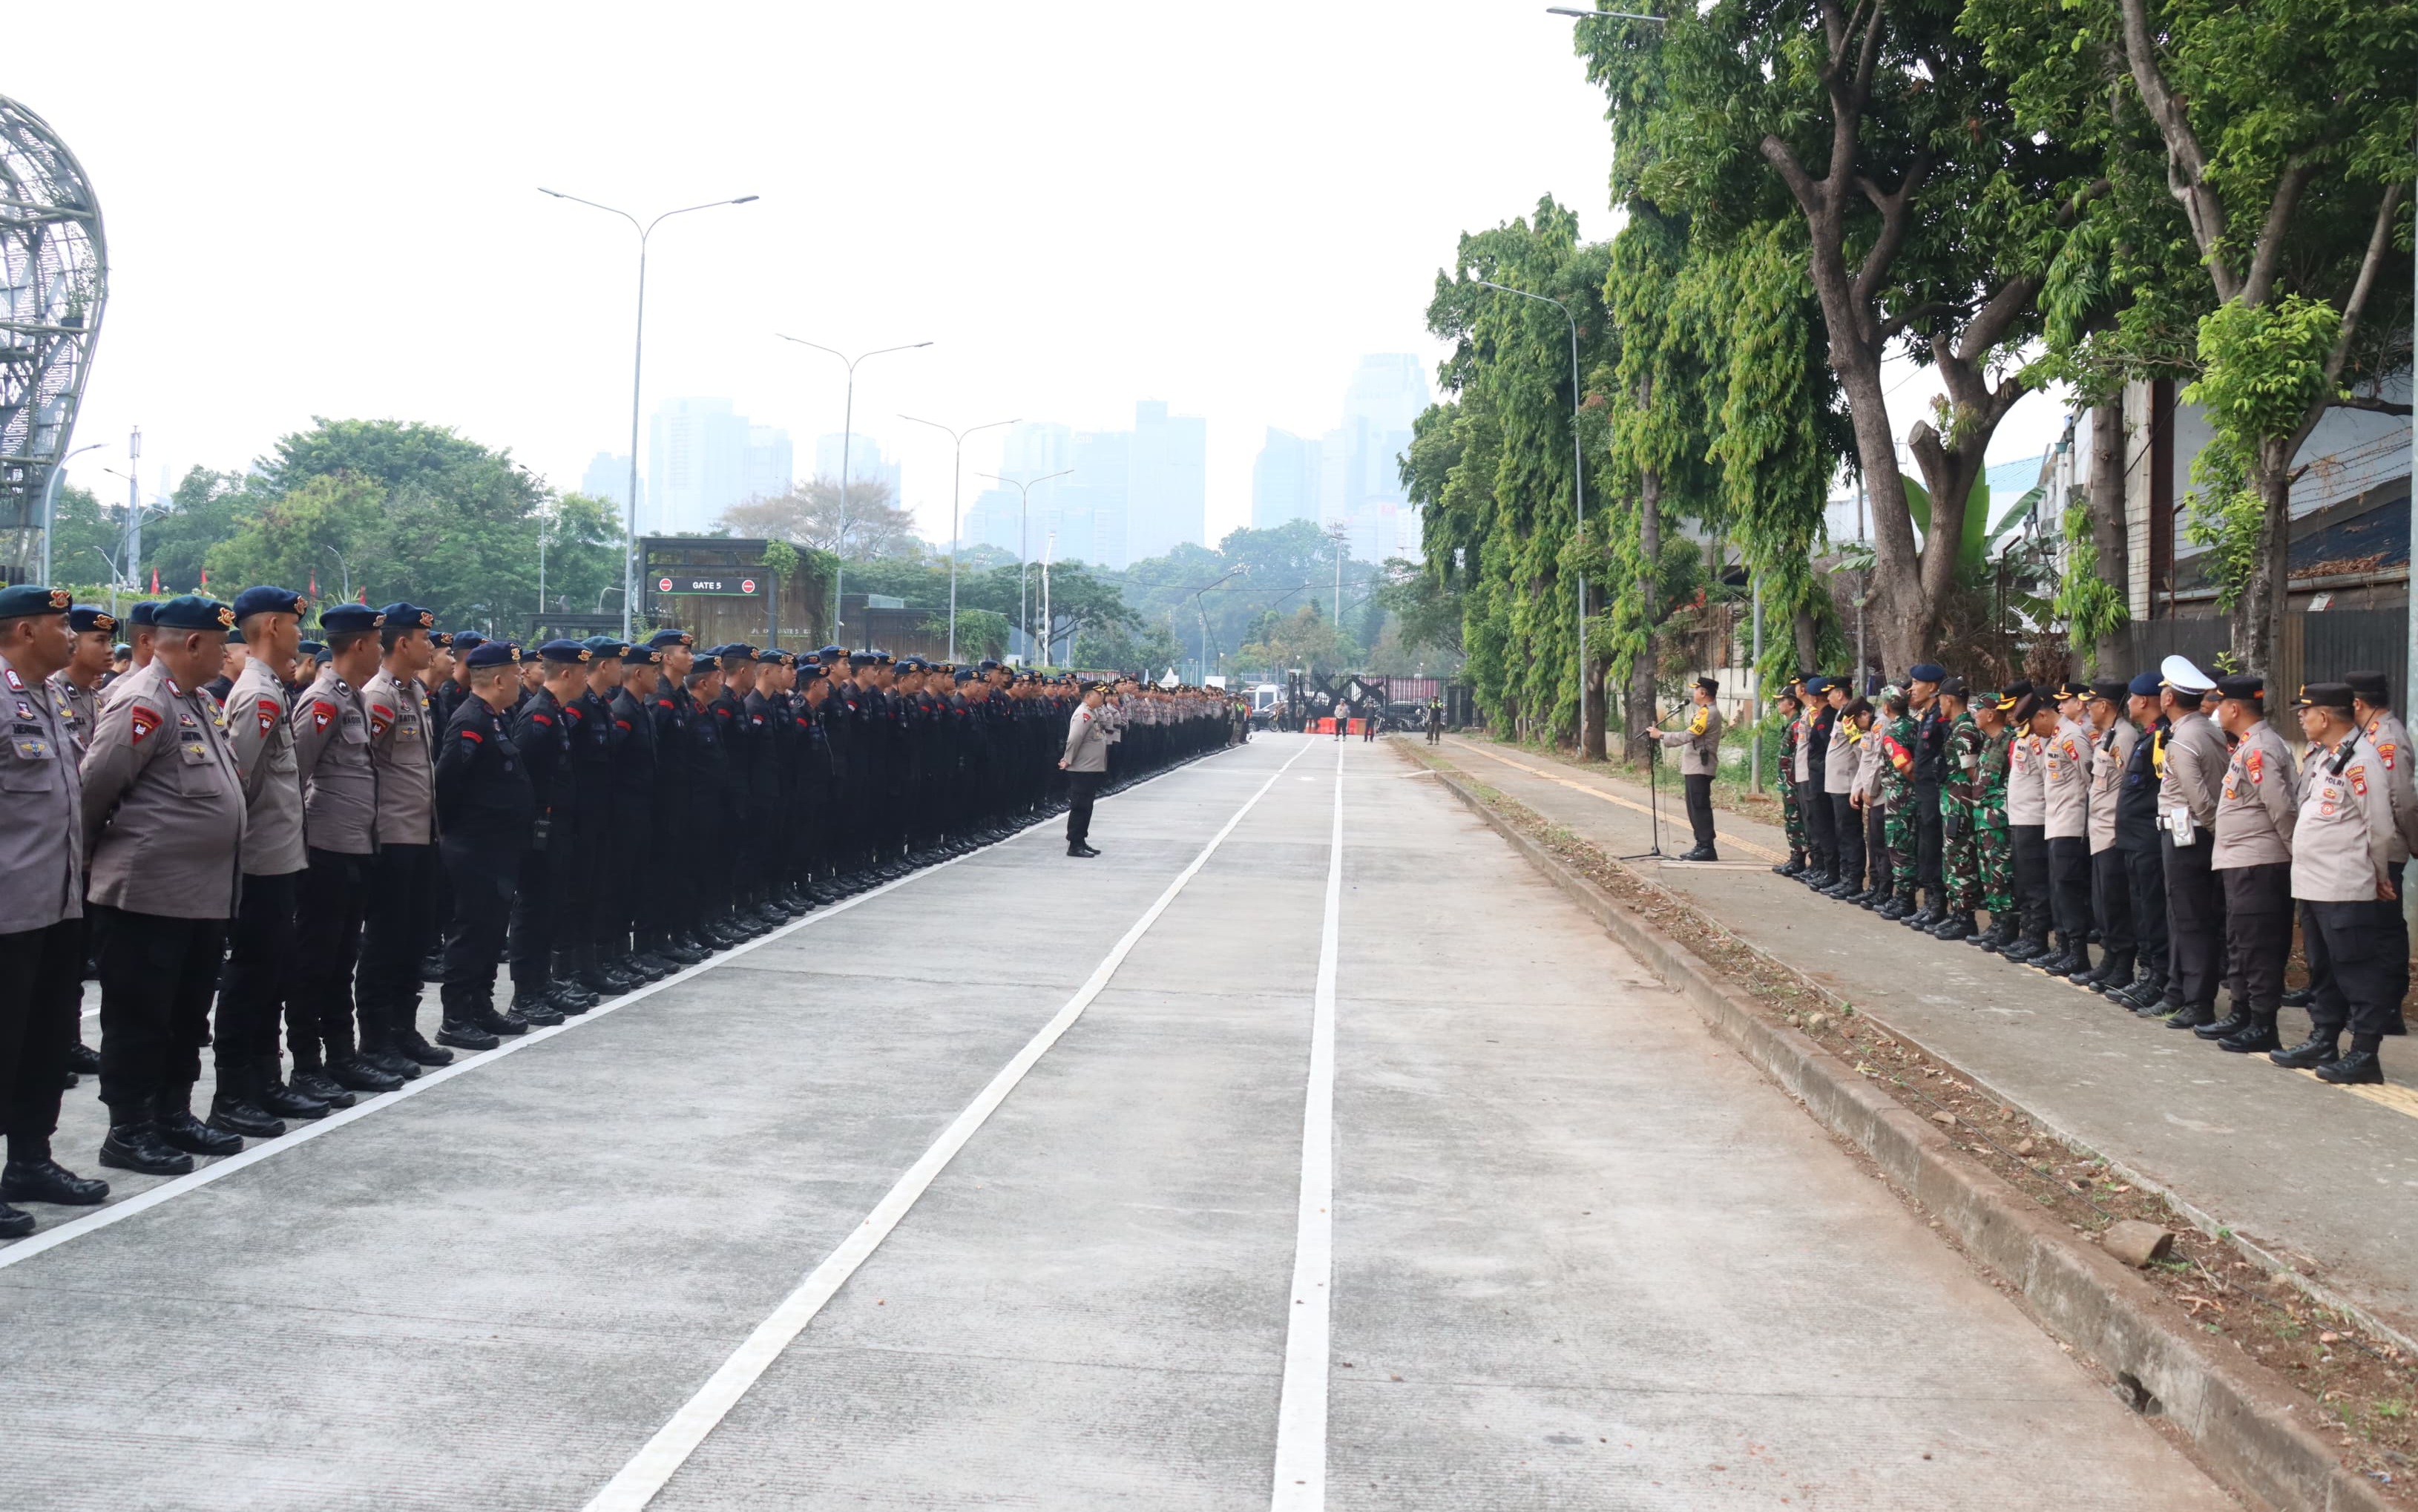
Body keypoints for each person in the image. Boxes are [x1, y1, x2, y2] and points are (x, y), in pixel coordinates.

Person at [79, 594, 250, 1176]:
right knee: (139, 1018)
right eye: (220, 642)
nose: (227, 652)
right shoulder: (143, 701)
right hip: (148, 894)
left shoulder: (197, 701)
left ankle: (172, 1112)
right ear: (193, 643)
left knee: (185, 1015)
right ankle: (129, 1129)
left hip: (200, 895)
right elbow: (92, 792)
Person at [0, 585, 110, 1235]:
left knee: (44, 1044)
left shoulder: (50, 696)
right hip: (8, 910)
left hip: (58, 901)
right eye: (57, 624)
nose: (69, 635)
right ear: (23, 631)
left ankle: (31, 1160)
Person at [209, 586, 324, 1137]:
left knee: (271, 976)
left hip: (280, 858)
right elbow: (239, 784)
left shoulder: (272, 688)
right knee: (250, 979)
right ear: (274, 627)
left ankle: (264, 1081)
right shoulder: (258, 694)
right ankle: (234, 1091)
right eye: (297, 626)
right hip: (258, 862)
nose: (302, 637)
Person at [287, 604, 395, 1100]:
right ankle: (307, 1063)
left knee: (341, 960)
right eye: (377, 642)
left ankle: (342, 1056)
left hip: (355, 846)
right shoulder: (323, 701)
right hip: (324, 849)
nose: (381, 650)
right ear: (359, 646)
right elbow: (296, 776)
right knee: (315, 962)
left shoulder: (351, 699)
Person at [2279, 683, 2396, 1083]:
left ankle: (2365, 1054)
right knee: (2323, 969)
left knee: (2356, 969)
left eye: (2305, 712)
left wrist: (2378, 875)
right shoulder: (2329, 757)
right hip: (2314, 886)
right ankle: (2324, 1038)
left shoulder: (2362, 760)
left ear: (2325, 717)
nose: (2301, 717)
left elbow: (2379, 828)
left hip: (2344, 885)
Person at [356, 602, 447, 1079]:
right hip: (391, 836)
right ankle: (375, 1038)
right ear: (401, 643)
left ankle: (404, 1028)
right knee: (386, 941)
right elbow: (364, 767)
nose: (431, 646)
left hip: (420, 833)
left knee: (414, 937)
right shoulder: (378, 697)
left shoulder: (413, 690)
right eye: (423, 637)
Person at [433, 641, 536, 1049]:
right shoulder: (471, 720)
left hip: (496, 848)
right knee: (471, 933)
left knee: (492, 932)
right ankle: (456, 1017)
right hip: (473, 848)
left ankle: (480, 1005)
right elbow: (448, 784)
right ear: (498, 680)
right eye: (515, 674)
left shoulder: (495, 717)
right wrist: (466, 833)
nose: (521, 679)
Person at [2202, 674, 2296, 1048]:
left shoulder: (2260, 748)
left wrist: (2294, 854)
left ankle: (2262, 1023)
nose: (2217, 711)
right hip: (2241, 862)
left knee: (2259, 945)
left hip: (2260, 863)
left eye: (2220, 704)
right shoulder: (2246, 746)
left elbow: (2282, 808)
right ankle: (2241, 1012)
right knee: (2240, 942)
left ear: (2234, 707)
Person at [2158, 657, 2229, 1026]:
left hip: (2190, 833)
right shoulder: (2205, 729)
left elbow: (2199, 795)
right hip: (2199, 832)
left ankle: (2198, 1000)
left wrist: (2216, 830)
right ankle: (2185, 992)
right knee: (2193, 917)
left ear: (2169, 698)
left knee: (2191, 920)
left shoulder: (2184, 738)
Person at [2346, 670, 2417, 1034]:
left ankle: (2389, 1007)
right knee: (2370, 927)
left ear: (2357, 703)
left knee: (2386, 929)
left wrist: (2414, 843)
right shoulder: (2366, 734)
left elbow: (2402, 801)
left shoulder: (2387, 738)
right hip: (2369, 845)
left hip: (2387, 846)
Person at [2111, 672, 2173, 1008]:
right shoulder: (2149, 737)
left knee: (2152, 911)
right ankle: (2147, 972)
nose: (2129, 704)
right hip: (2133, 840)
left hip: (2148, 839)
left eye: (2133, 698)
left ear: (2144, 701)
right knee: (2140, 909)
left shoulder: (2162, 738)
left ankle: (2159, 976)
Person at [2080, 679, 2139, 993]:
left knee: (2116, 903)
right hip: (2099, 830)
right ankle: (2110, 959)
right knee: (2103, 903)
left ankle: (2123, 965)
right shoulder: (2107, 736)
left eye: (2091, 703)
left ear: (2104, 705)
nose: (2087, 709)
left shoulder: (2126, 737)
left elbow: (2130, 786)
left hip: (2114, 833)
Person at [2035, 685, 2094, 976]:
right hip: (2056, 820)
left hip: (2071, 822)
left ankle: (2078, 952)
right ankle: (2064, 947)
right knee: (2059, 888)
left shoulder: (2072, 736)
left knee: (2070, 889)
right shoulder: (2058, 736)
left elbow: (2090, 780)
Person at [1660, 676, 1724, 862]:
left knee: (1699, 807)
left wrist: (1663, 735)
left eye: (1696, 690)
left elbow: (1689, 735)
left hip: (1700, 766)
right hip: (1695, 766)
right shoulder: (1704, 712)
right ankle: (1701, 844)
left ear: (1703, 693)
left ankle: (1706, 847)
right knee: (1694, 807)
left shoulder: (1708, 713)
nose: (1694, 693)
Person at [1060, 680, 1110, 857]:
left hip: (1090, 768)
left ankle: (1081, 840)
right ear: (1088, 696)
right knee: (1080, 807)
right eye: (1099, 694)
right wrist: (1068, 759)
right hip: (1082, 769)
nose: (1102, 697)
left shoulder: (1092, 712)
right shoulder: (1083, 714)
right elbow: (1074, 739)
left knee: (1086, 807)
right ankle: (1074, 844)